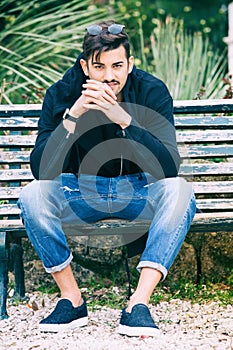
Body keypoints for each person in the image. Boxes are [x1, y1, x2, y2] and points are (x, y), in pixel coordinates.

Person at [18, 20, 196, 336]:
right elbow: (41, 172)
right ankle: (71, 299)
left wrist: (124, 120)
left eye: (117, 65)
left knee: (180, 191)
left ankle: (138, 303)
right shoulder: (61, 94)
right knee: (32, 195)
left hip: (139, 190)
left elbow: (168, 168)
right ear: (85, 65)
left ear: (130, 64)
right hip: (78, 191)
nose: (109, 76)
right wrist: (72, 117)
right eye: (99, 67)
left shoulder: (151, 91)